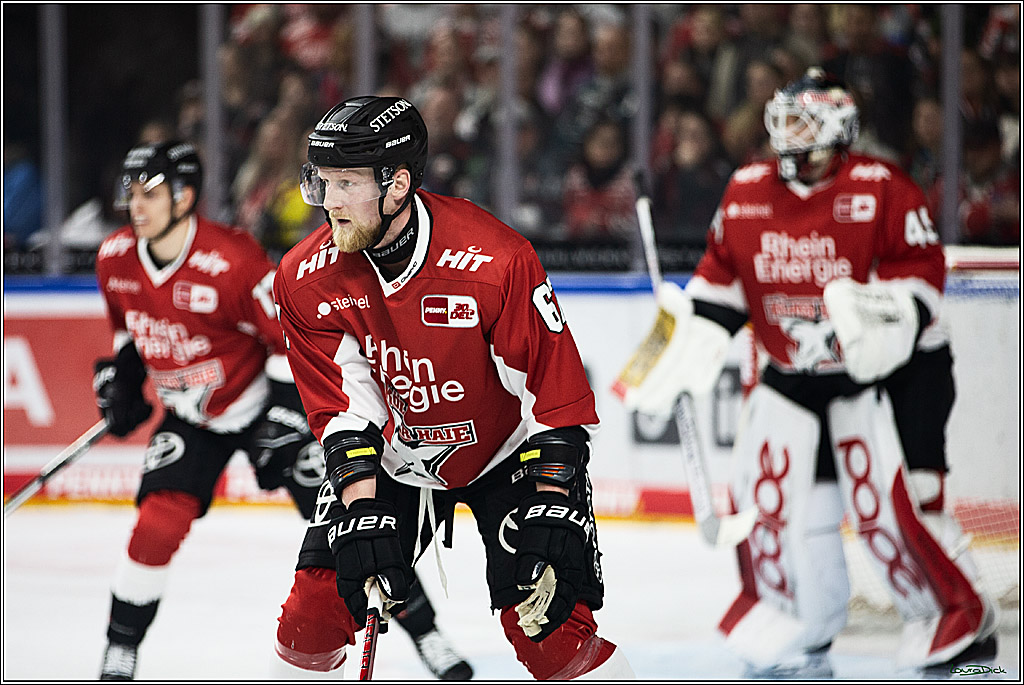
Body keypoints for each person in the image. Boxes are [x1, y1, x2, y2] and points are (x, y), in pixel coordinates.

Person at [615, 69, 999, 677]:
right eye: (783, 120)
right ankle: (796, 618)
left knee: (893, 508)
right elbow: (721, 286)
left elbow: (921, 284)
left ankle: (954, 618)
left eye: (801, 121)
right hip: (792, 374)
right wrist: (684, 347)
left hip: (886, 376)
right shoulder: (746, 190)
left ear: (836, 127)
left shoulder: (882, 187)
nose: (786, 134)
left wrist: (873, 323)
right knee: (774, 502)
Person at [270, 96, 635, 680]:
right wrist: (362, 509)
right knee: (308, 624)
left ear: (397, 186)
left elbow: (552, 395)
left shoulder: (494, 261)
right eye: (323, 182)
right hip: (396, 456)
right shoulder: (303, 278)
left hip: (505, 453)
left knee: (550, 635)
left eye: (346, 184)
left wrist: (553, 501)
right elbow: (344, 408)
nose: (329, 202)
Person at [93, 140, 471, 681]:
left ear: (184, 197)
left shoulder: (231, 260)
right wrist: (122, 376)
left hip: (265, 406)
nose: (136, 206)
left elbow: (290, 338)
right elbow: (127, 327)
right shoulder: (114, 258)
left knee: (359, 526)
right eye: (131, 194)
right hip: (194, 420)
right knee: (155, 525)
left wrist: (283, 415)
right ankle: (120, 646)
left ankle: (427, 632)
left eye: (149, 194)